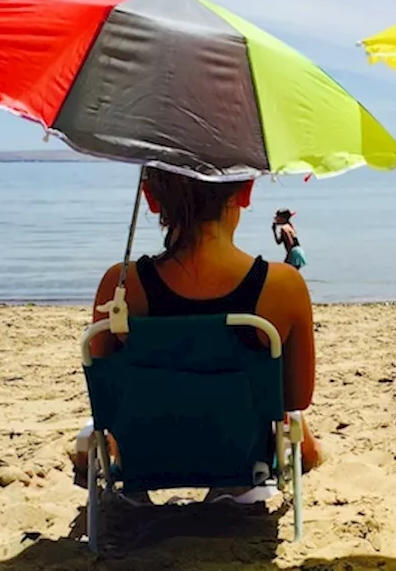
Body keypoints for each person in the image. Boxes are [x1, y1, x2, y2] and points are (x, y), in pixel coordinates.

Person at [83, 168, 322, 498]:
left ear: (150, 197)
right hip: (243, 460)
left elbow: (106, 395)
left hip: (145, 458)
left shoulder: (121, 286)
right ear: (246, 190)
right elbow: (296, 398)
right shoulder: (283, 286)